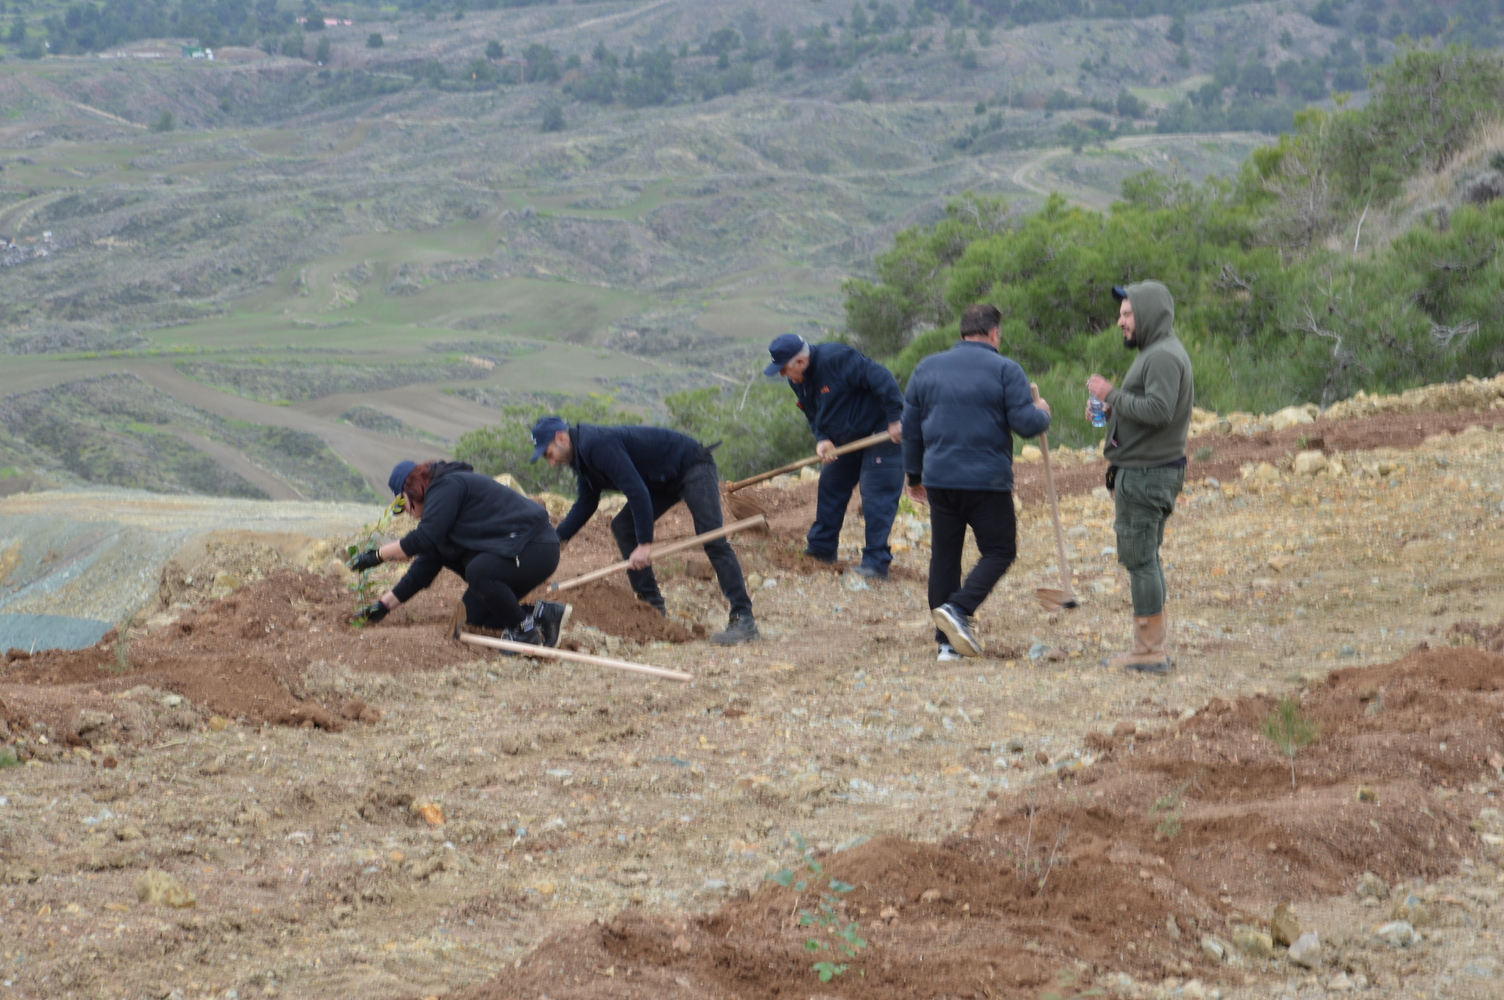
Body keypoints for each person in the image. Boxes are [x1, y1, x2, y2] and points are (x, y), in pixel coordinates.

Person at [901, 304, 1051, 661]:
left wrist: (914, 477)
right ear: (994, 333)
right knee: (1000, 550)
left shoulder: (926, 367)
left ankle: (946, 645)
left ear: (962, 332)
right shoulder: (1006, 369)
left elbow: (910, 429)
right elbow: (1026, 424)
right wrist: (1043, 412)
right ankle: (958, 609)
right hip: (986, 481)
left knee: (945, 556)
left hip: (940, 480)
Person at [531, 416, 759, 645]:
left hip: (692, 465)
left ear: (561, 438)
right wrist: (558, 538)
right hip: (663, 480)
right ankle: (652, 608)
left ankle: (743, 619)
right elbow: (586, 503)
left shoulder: (595, 444)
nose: (551, 463)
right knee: (623, 527)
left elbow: (637, 491)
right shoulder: (581, 458)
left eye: (549, 454)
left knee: (712, 538)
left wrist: (644, 544)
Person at [1087, 280, 1194, 675]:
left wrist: (1111, 394)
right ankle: (1151, 646)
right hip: (1149, 471)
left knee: (1141, 559)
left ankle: (1149, 651)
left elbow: (1159, 411)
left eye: (1128, 313)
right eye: (1121, 314)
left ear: (1149, 314)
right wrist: (1109, 410)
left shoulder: (1162, 355)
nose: (1121, 321)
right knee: (1146, 557)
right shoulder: (1156, 351)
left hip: (1146, 475)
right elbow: (1149, 409)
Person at [348, 460, 570, 647]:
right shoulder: (440, 521)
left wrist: (377, 556)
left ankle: (523, 632)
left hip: (535, 546)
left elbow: (423, 538)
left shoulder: (447, 486)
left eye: (402, 506)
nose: (406, 513)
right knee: (471, 615)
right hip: (516, 553)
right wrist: (384, 606)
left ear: (411, 491)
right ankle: (542, 615)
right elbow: (420, 573)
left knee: (478, 572)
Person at [765, 333, 905, 579]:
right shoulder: (798, 380)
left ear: (800, 362)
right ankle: (822, 550)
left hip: (881, 432)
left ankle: (876, 563)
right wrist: (822, 438)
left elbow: (881, 377)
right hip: (848, 440)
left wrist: (895, 418)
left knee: (876, 493)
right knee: (831, 482)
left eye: (784, 369)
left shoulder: (838, 359)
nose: (783, 375)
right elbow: (810, 412)